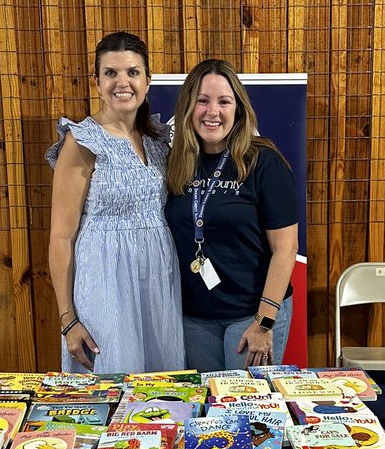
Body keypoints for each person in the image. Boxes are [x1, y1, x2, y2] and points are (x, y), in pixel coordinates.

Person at [46, 32, 185, 374]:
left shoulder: (157, 138)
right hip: (105, 281)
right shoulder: (81, 142)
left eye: (132, 72)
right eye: (111, 73)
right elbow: (61, 238)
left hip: (157, 278)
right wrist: (68, 319)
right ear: (97, 81)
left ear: (148, 80)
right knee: (112, 380)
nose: (122, 82)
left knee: (162, 388)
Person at [165, 59, 298, 371]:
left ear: (238, 109)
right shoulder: (175, 164)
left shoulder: (263, 162)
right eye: (202, 100)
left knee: (247, 411)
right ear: (188, 107)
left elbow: (286, 248)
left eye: (224, 102)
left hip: (251, 316)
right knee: (207, 408)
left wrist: (264, 322)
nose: (213, 112)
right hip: (194, 320)